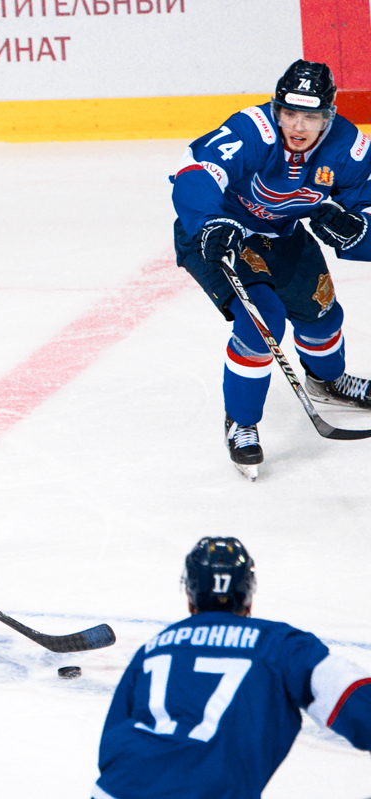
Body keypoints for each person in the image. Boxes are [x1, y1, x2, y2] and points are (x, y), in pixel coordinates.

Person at [172, 59, 371, 481]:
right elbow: (196, 171)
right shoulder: (252, 130)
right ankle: (241, 422)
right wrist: (210, 222)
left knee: (321, 314)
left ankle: (327, 382)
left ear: (329, 116)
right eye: (290, 113)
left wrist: (358, 230)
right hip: (222, 233)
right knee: (262, 320)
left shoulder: (349, 146)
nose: (298, 126)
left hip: (283, 233)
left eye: (311, 117)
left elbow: (366, 205)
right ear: (276, 109)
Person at [92, 537, 371, 799]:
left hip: (117, 790)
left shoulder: (154, 648)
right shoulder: (278, 644)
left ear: (190, 596)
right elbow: (349, 693)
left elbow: (112, 741)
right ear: (248, 596)